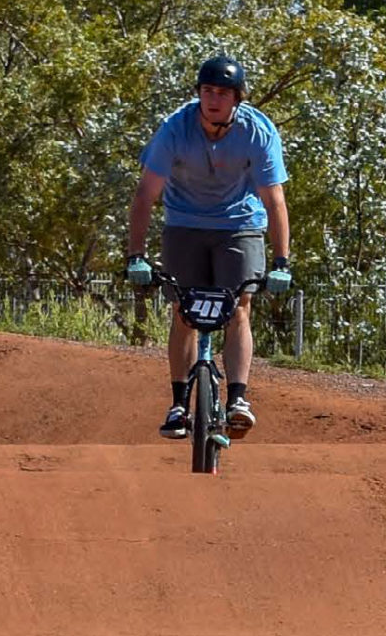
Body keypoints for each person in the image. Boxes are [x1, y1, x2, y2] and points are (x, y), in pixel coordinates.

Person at [125, 55, 291, 440]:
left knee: (239, 307)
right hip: (184, 223)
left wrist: (281, 261)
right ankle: (179, 403)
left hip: (240, 225)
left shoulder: (257, 131)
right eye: (207, 91)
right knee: (184, 310)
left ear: (238, 99)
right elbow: (146, 194)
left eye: (222, 93)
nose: (213, 99)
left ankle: (238, 399)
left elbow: (275, 200)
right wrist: (135, 255)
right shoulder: (174, 129)